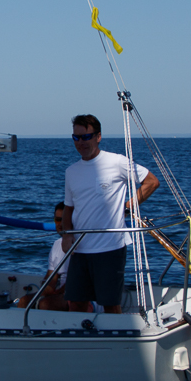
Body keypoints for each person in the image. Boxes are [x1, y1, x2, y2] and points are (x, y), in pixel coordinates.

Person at [61, 114, 159, 314]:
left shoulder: (117, 162)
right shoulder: (71, 172)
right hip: (80, 250)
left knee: (111, 304)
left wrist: (128, 206)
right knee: (76, 303)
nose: (81, 142)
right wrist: (66, 234)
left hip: (110, 248)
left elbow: (151, 182)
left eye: (86, 137)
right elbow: (68, 208)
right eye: (76, 138)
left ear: (98, 137)